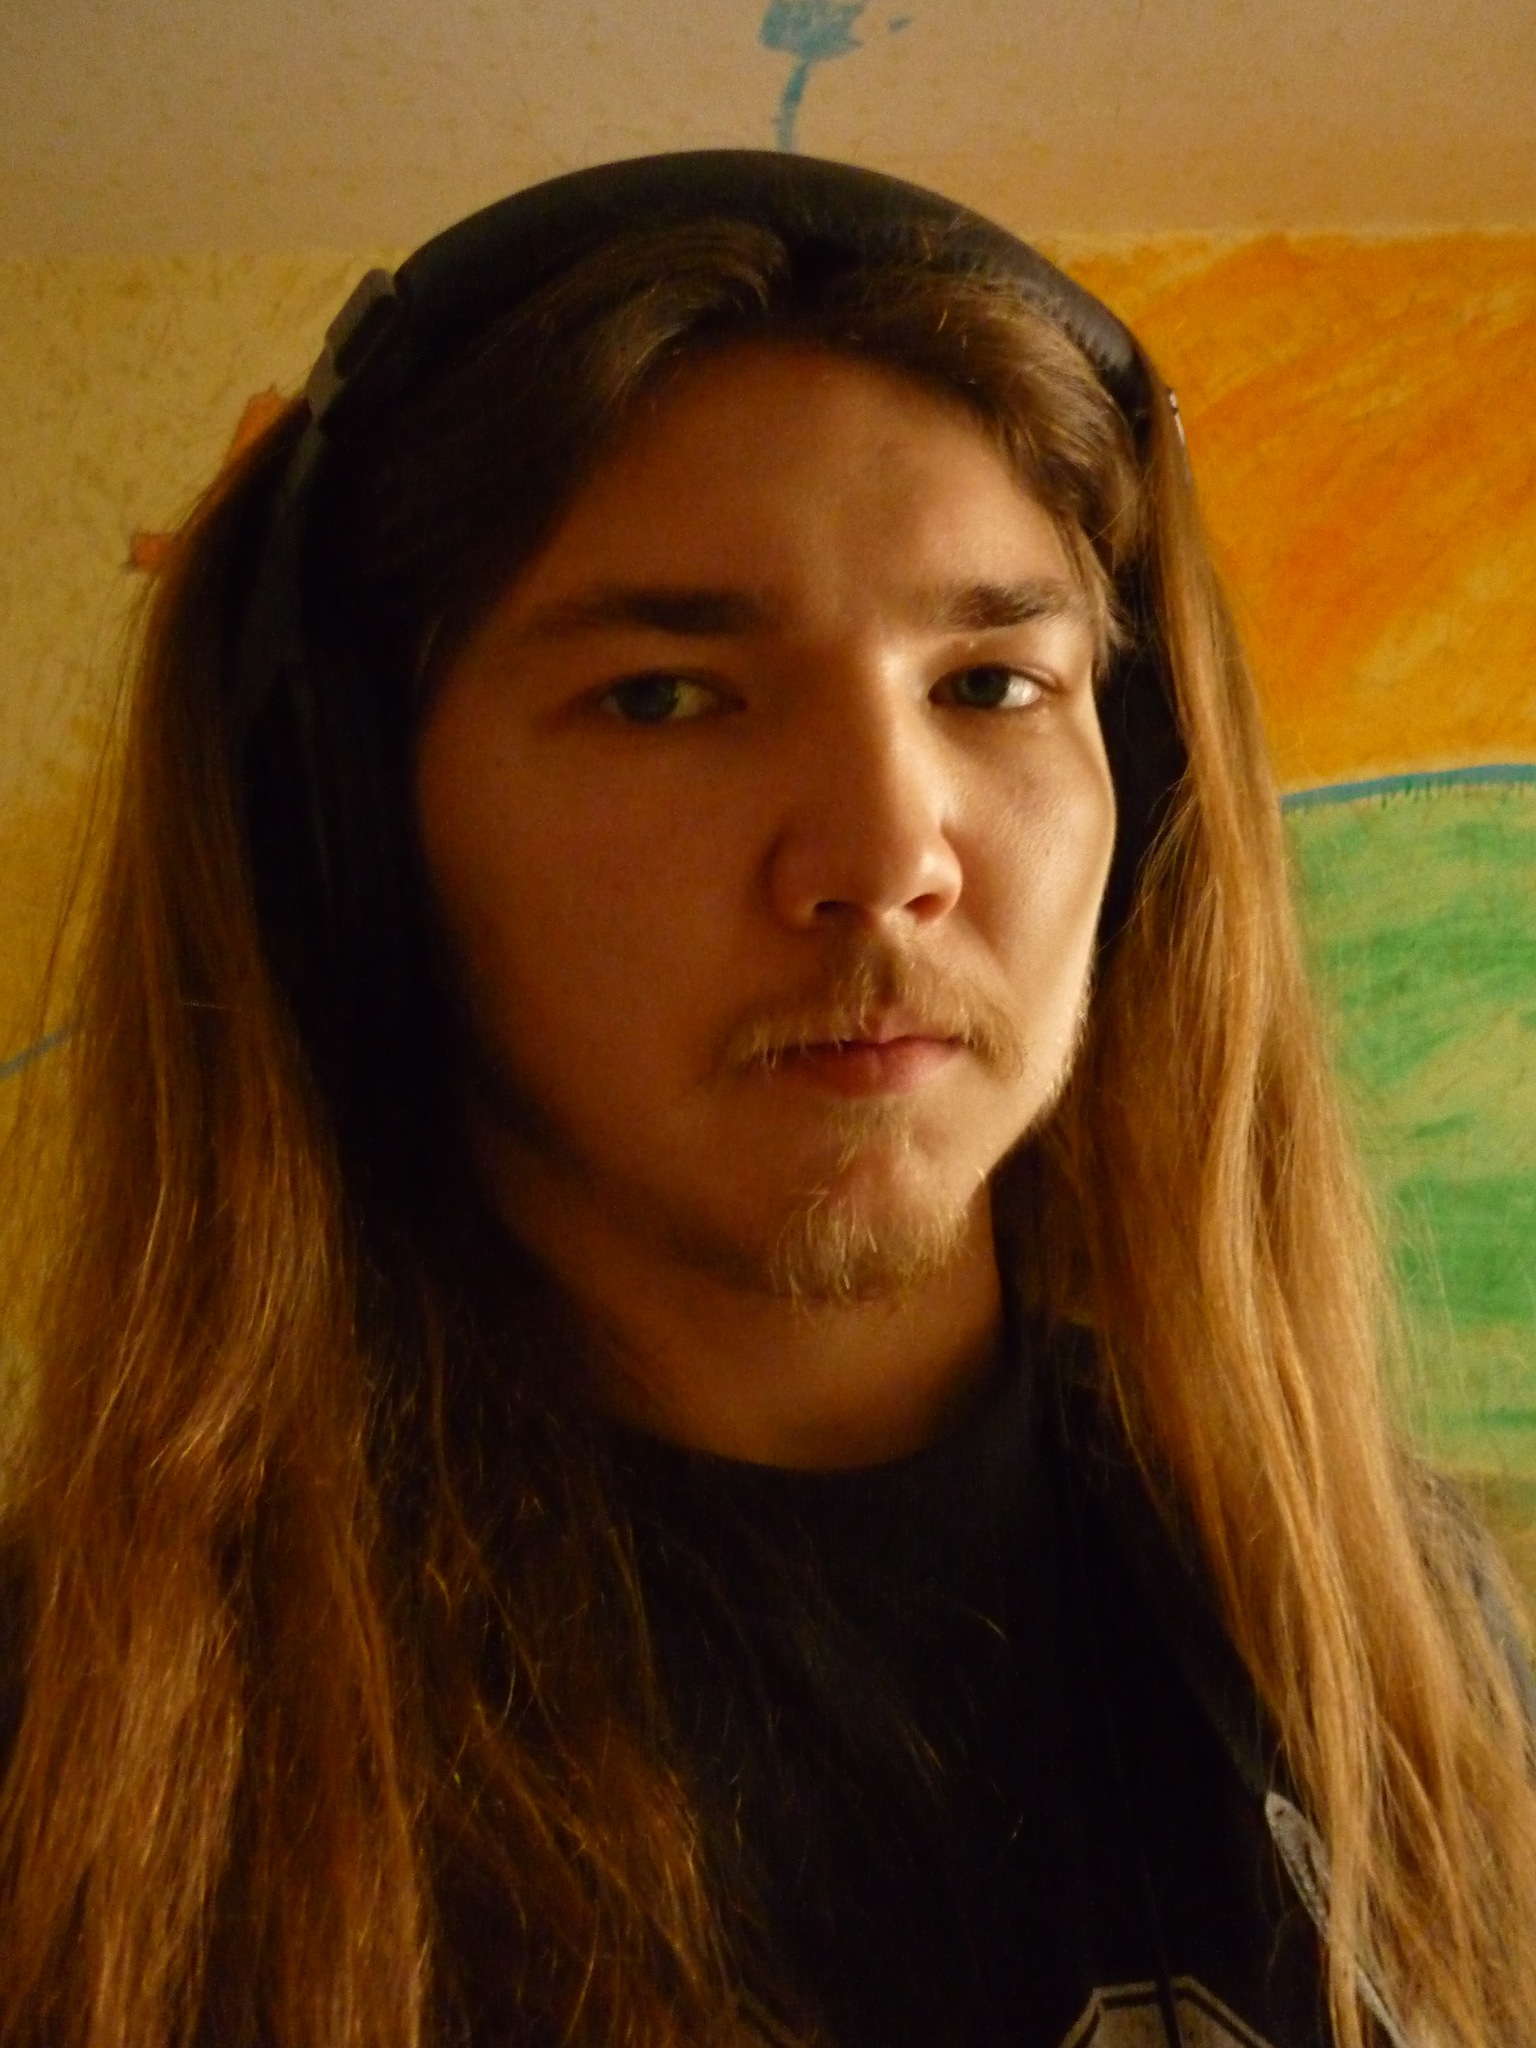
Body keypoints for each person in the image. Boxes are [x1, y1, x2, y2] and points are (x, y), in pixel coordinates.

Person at [0, 151, 1531, 2048]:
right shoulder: (80, 1755)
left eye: (993, 684)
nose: (887, 857)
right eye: (666, 696)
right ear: (358, 838)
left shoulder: (1399, 1634)